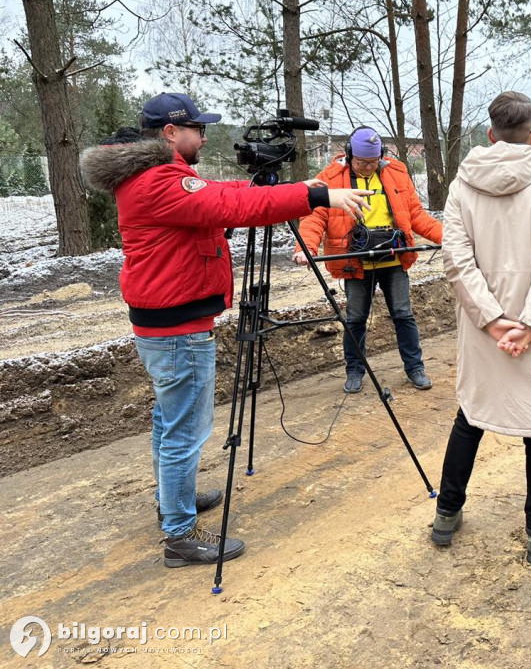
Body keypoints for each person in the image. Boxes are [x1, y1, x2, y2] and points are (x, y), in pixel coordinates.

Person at [80, 92, 371, 568]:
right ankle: (178, 534)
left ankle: (174, 499)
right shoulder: (157, 180)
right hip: (177, 326)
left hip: (166, 320)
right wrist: (316, 195)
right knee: (184, 431)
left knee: (168, 420)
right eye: (198, 128)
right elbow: (227, 206)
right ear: (170, 133)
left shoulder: (157, 174)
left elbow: (223, 195)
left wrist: (291, 188)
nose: (205, 135)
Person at [431, 91, 531, 565]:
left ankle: (446, 515)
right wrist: (530, 325)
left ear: (491, 134)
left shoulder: (461, 186)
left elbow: (456, 260)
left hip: (485, 328)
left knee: (471, 414)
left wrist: (492, 322)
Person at [292, 127, 443, 394]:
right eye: (362, 162)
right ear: (350, 155)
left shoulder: (395, 173)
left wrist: (446, 236)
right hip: (355, 262)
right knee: (356, 319)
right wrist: (306, 247)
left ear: (381, 157)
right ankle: (354, 370)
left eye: (372, 163)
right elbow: (315, 217)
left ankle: (415, 368)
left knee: (403, 315)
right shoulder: (330, 178)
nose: (367, 167)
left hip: (393, 259)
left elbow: (415, 214)